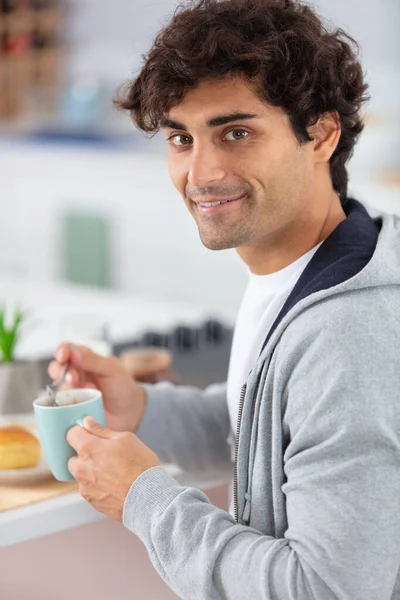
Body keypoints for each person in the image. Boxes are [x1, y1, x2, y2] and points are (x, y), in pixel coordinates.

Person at [49, 0, 400, 598]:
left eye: (235, 133)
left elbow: (329, 589)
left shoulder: (345, 332)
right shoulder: (317, 261)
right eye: (181, 138)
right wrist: (139, 410)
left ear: (320, 134)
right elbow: (271, 427)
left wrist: (145, 498)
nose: (202, 172)